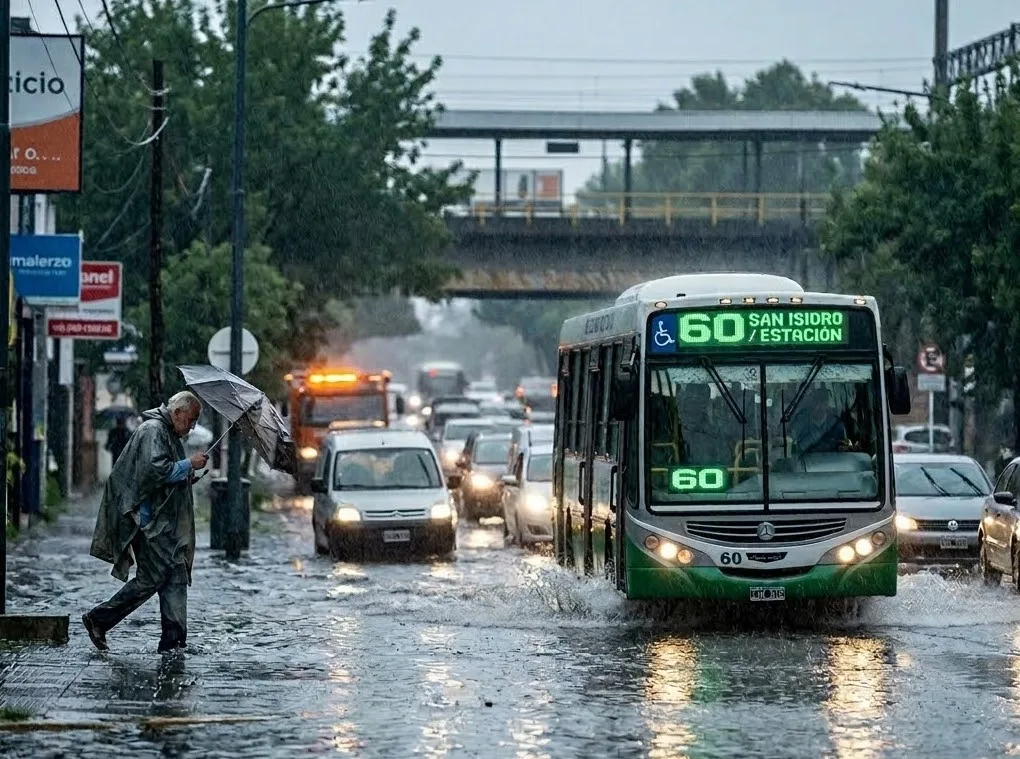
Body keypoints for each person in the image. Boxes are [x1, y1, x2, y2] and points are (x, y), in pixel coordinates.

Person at [82, 391, 209, 653]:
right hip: (148, 522)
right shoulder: (154, 430)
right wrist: (188, 464)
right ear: (176, 413)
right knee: (152, 578)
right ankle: (100, 619)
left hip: (162, 523)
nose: (192, 426)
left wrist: (186, 476)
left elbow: (162, 477)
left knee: (175, 574)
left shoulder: (167, 433)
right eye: (191, 419)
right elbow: (155, 471)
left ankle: (173, 640)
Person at [791, 388, 847, 455]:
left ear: (827, 405)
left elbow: (843, 449)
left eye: (823, 403)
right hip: (805, 462)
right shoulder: (800, 422)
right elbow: (791, 445)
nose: (819, 407)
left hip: (832, 463)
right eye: (816, 403)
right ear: (812, 404)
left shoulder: (836, 424)